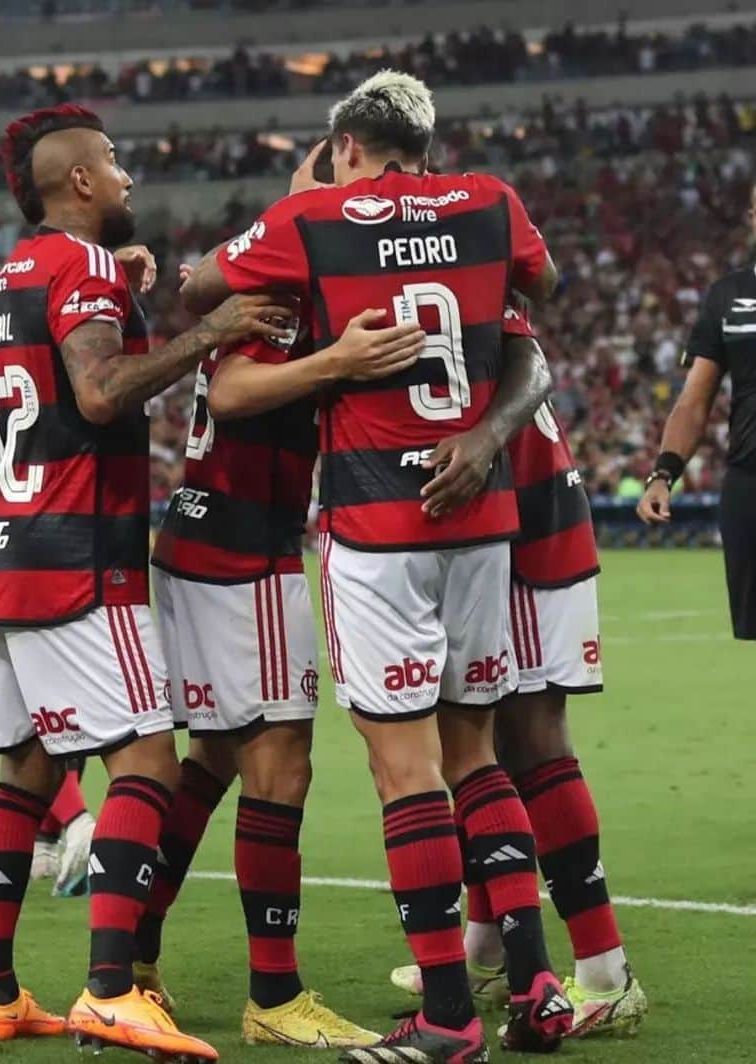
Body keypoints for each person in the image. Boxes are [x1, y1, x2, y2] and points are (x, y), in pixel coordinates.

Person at [182, 71, 570, 1063]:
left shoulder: (314, 218)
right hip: (478, 513)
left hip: (378, 521)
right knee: (475, 752)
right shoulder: (490, 199)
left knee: (406, 769)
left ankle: (446, 1014)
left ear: (346, 144)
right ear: (427, 147)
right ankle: (533, 978)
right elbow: (545, 291)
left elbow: (194, 290)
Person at [0, 102, 289, 1056]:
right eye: (113, 164)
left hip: (1, 551)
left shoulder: (14, 269)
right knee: (147, 757)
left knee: (28, 775)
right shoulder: (84, 264)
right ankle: (110, 986)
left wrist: (130, 301)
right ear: (79, 183)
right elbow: (99, 393)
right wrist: (208, 332)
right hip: (76, 556)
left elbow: (63, 373)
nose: (127, 179)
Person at [140, 296, 424, 1046]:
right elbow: (232, 390)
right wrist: (339, 362)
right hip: (243, 557)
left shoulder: (265, 285)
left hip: (199, 542)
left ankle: (133, 955)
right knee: (280, 768)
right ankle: (274, 994)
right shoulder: (293, 295)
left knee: (212, 761)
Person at [391, 307, 647, 1037]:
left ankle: (604, 969)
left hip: (525, 524)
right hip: (496, 520)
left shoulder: (451, 262)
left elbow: (527, 363)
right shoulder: (452, 262)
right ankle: (489, 944)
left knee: (531, 744)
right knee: (477, 747)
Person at [0, 362, 97, 898]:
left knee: (30, 722)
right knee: (65, 712)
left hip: (5, 554)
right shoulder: (87, 365)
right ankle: (52, 842)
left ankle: (73, 828)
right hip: (72, 546)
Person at [638, 181, 756, 640]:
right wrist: (663, 474)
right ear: (751, 218)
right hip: (749, 484)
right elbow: (694, 401)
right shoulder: (727, 296)